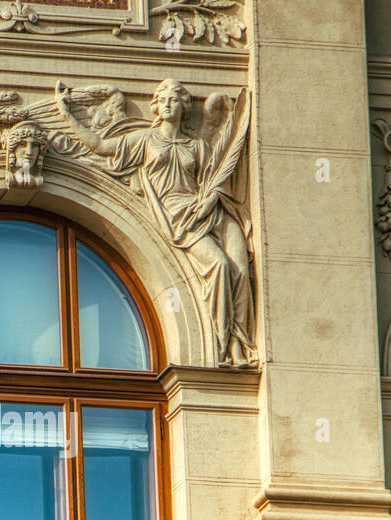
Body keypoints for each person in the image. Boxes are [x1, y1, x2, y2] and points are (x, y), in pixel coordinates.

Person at [55, 78, 257, 367]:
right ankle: (222, 346)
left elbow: (215, 183)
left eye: (174, 99)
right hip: (177, 215)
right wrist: (67, 115)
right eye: (162, 100)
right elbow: (100, 146)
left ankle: (240, 344)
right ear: (156, 107)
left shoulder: (197, 145)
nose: (167, 104)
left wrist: (208, 202)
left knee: (239, 267)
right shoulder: (145, 140)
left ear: (184, 106)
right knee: (219, 265)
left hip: (206, 210)